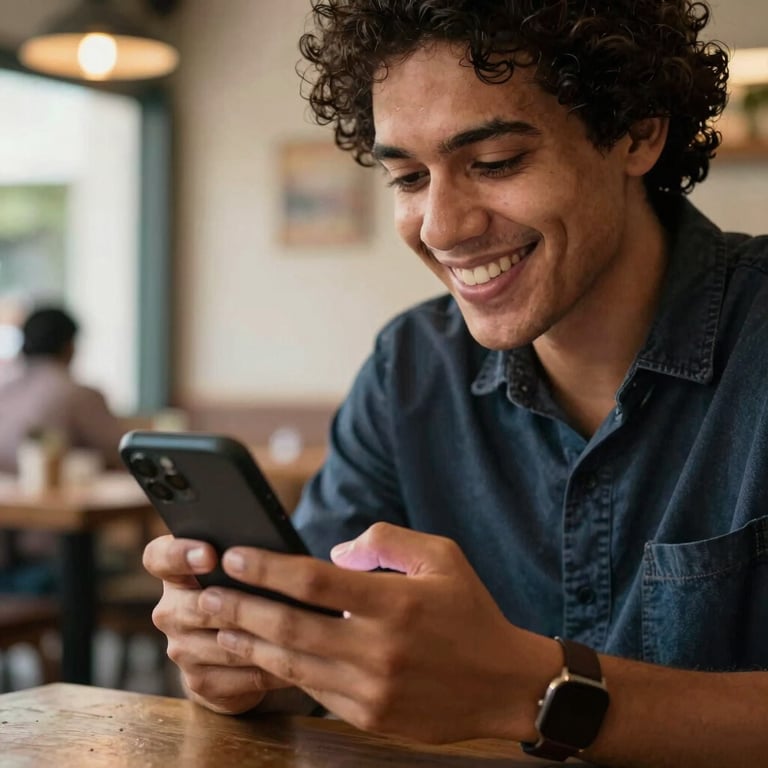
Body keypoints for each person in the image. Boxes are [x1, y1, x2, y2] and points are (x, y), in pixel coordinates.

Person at [143, 1, 768, 765]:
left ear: (638, 131)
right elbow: (315, 642)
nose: (441, 227)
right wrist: (249, 660)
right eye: (407, 176)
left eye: (497, 161)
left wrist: (531, 691)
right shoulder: (411, 368)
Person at [0, 305, 124, 589]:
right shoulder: (74, 393)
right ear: (70, 347)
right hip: (47, 553)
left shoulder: (4, 388)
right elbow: (124, 453)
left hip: (7, 553)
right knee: (102, 565)